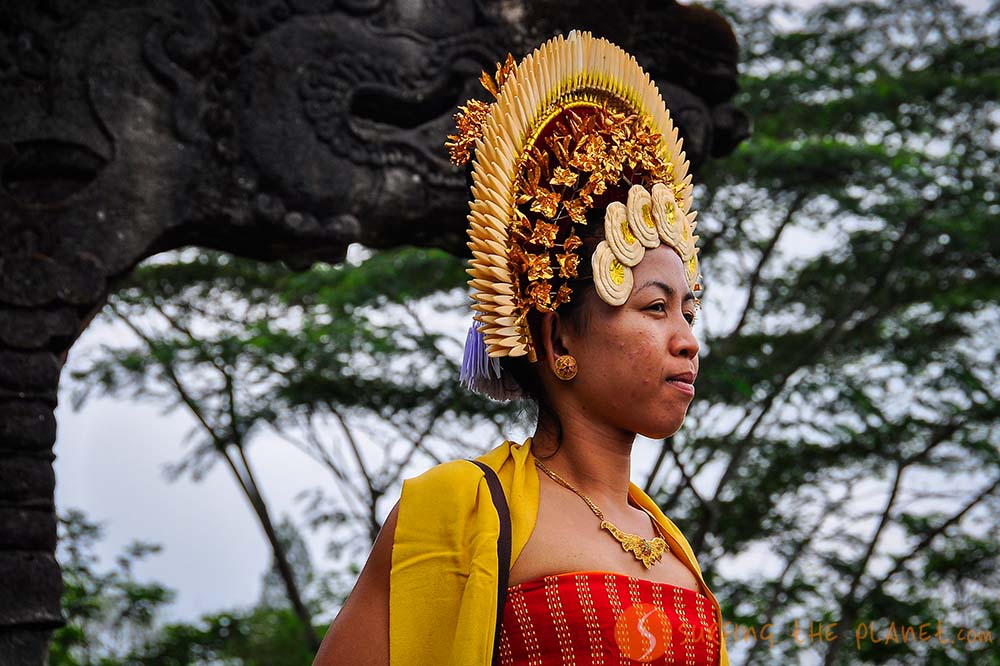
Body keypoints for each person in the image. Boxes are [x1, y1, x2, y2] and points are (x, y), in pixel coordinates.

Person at [314, 31, 729, 666]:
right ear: (560, 337)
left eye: (688, 310)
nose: (687, 341)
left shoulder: (675, 549)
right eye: (654, 307)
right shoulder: (465, 509)